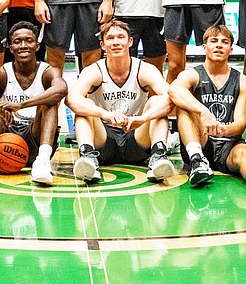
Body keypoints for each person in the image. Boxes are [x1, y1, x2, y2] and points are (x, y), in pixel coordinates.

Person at [169, 24, 246, 193]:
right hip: (200, 140)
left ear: (231, 49)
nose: (219, 45)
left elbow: (240, 124)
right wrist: (203, 112)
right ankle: (197, 162)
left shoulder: (242, 81)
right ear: (204, 47)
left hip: (228, 142)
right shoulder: (192, 74)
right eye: (214, 41)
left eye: (224, 42)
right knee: (186, 106)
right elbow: (174, 90)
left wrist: (221, 129)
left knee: (244, 153)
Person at [67, 21, 175, 184]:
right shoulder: (94, 70)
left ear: (130, 42)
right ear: (103, 45)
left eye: (120, 37)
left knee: (157, 101)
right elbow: (71, 99)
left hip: (136, 136)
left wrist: (143, 118)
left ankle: (158, 156)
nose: (116, 42)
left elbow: (170, 97)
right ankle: (88, 158)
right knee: (84, 108)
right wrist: (105, 114)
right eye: (110, 38)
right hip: (103, 140)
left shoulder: (144, 69)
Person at [0, 21, 66, 186]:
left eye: (29, 41)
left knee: (50, 102)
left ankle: (43, 162)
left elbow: (61, 89)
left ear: (37, 46)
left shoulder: (48, 71)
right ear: (10, 48)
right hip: (5, 132)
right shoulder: (1, 73)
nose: (23, 45)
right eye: (17, 41)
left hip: (36, 135)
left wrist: (22, 105)